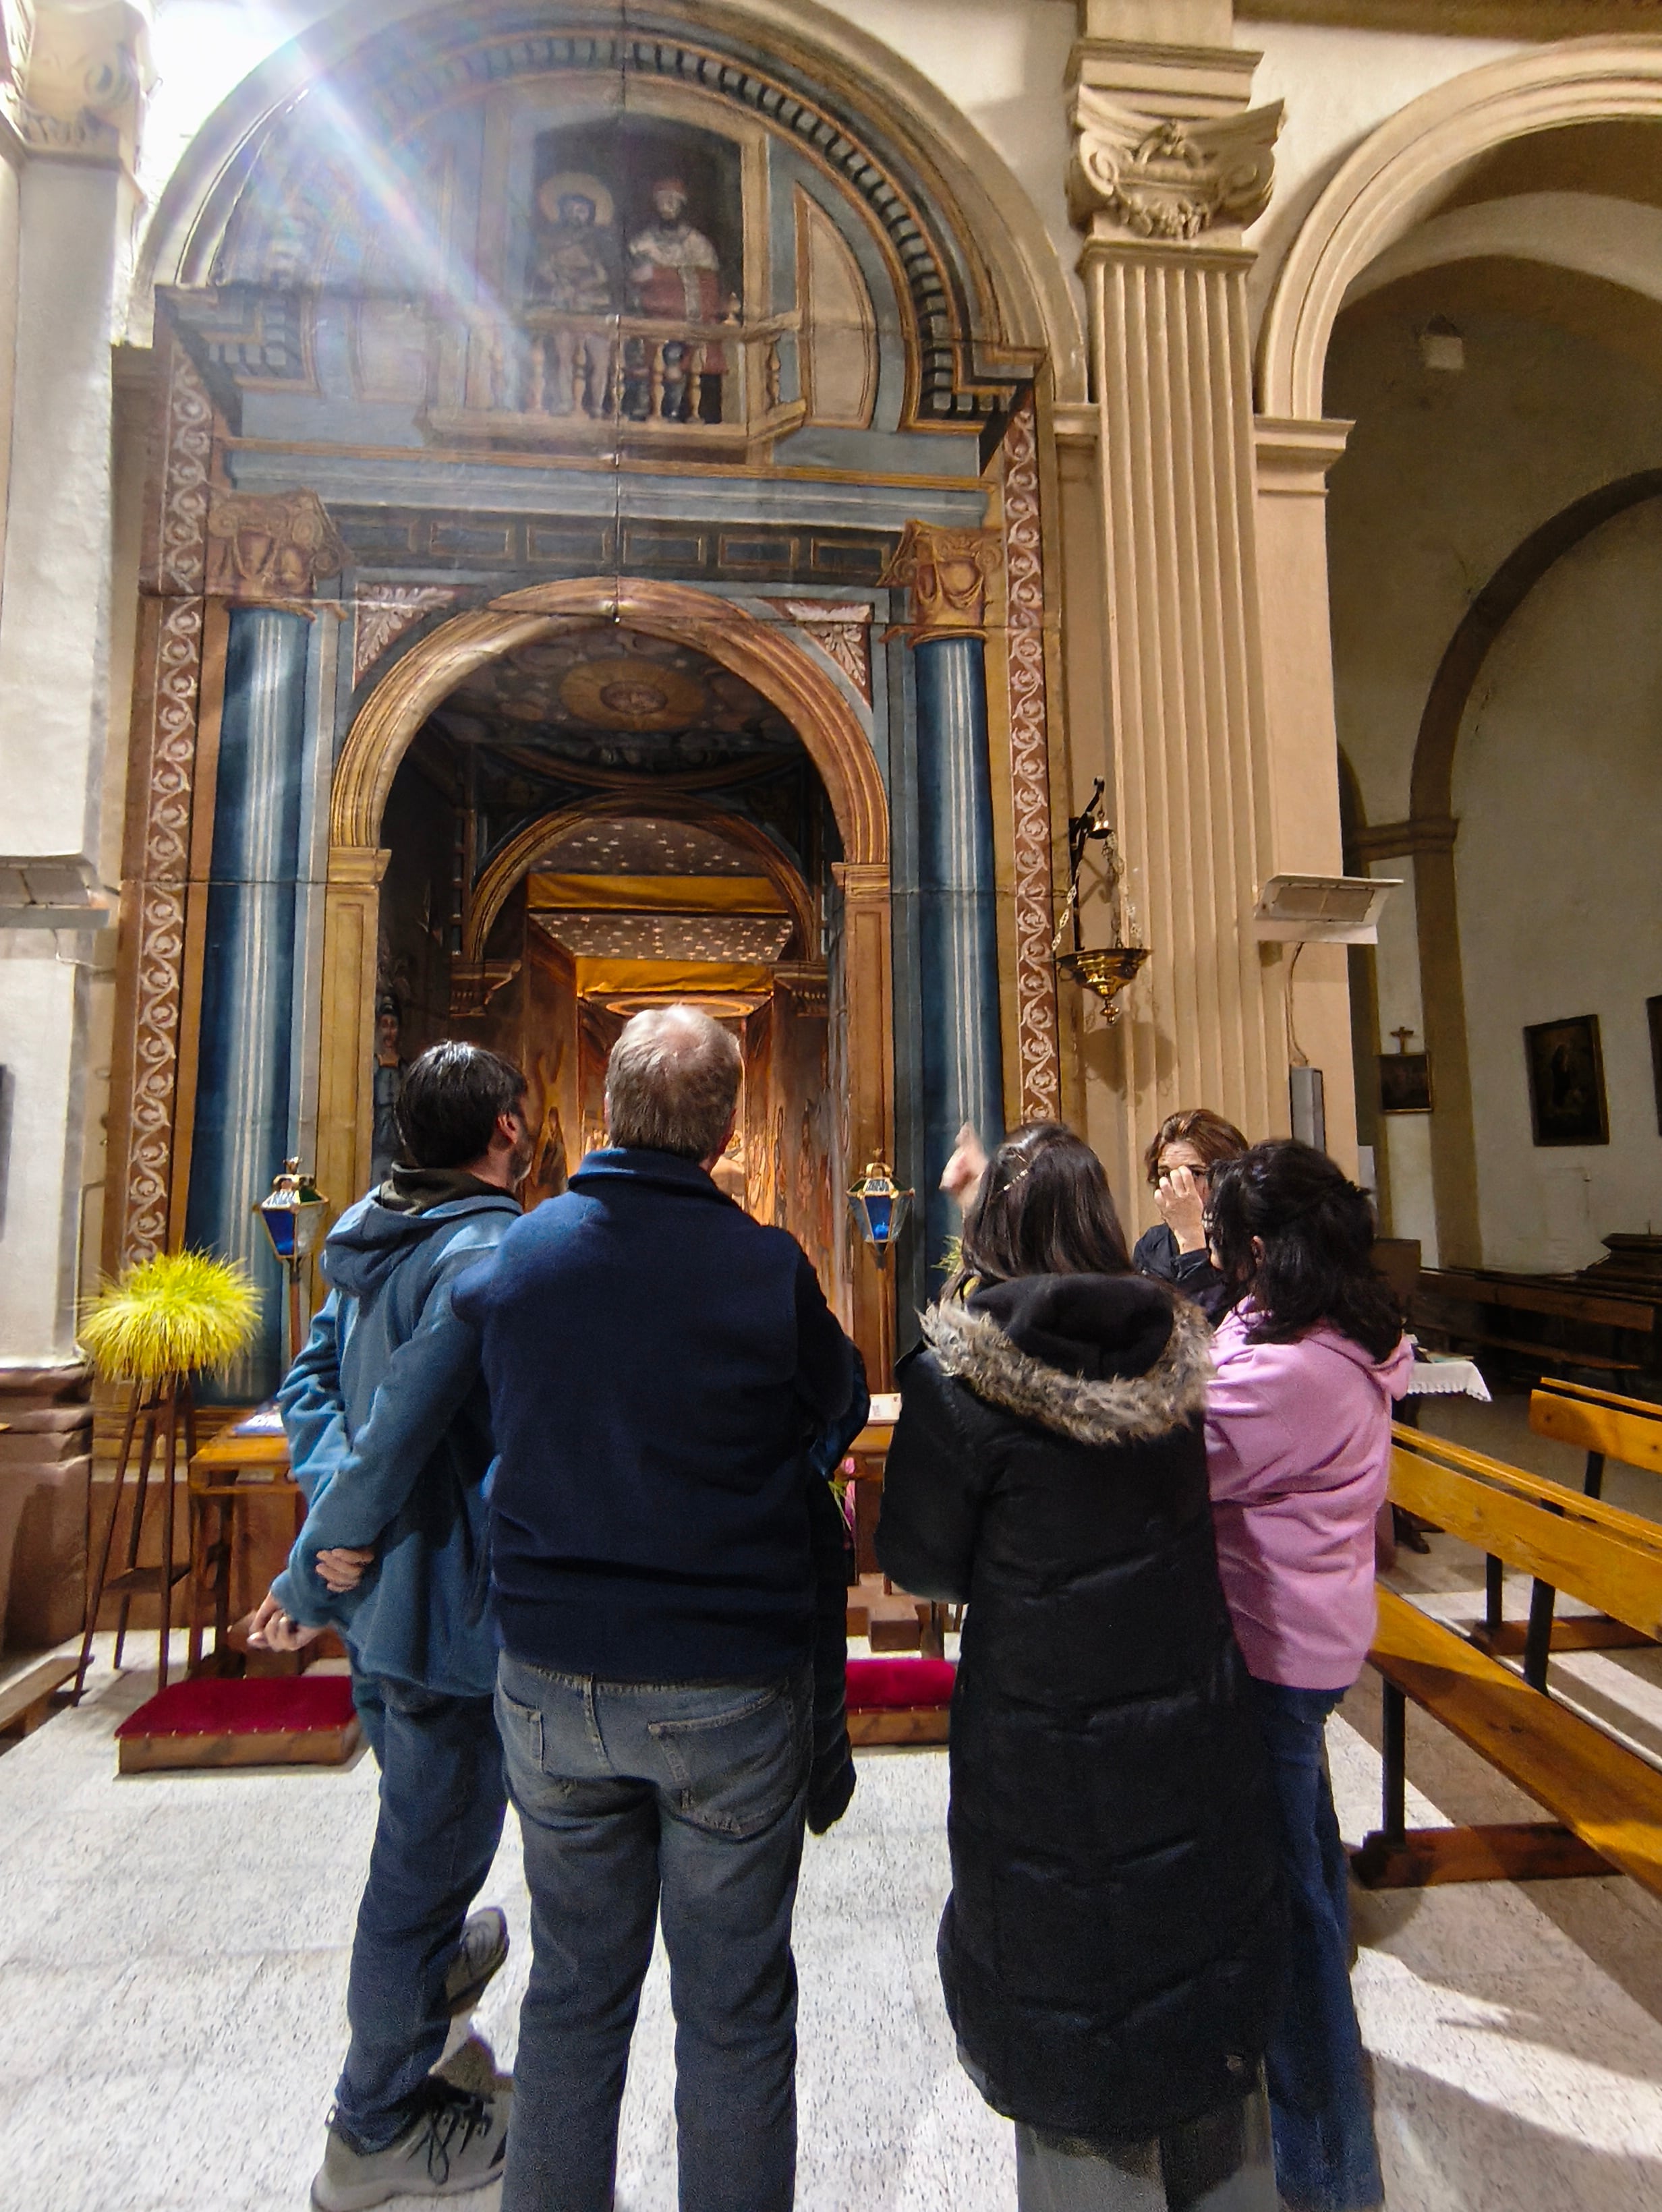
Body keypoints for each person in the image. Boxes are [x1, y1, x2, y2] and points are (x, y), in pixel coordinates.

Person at [451, 1004, 866, 2212]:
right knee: (731, 2010)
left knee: (572, 1998)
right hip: (721, 1681)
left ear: (606, 1111)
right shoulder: (760, 1266)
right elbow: (834, 1407)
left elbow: (484, 1414)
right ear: (726, 1125)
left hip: (547, 1671)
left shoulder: (519, 1256)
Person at [876, 1122, 1286, 2212]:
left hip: (1043, 1736)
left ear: (994, 1229)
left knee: (1074, 2023)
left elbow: (918, 1559)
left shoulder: (961, 1381)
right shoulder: (1180, 1354)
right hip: (1189, 1715)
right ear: (1105, 1218)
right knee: (1192, 1988)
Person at [246, 1041, 532, 2210]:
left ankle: (417, 2027)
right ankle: (372, 2128)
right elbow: (407, 1424)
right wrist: (322, 1562)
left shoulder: (369, 1225)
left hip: (384, 1600)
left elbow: (309, 1385)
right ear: (508, 1129)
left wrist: (332, 1526)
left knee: (423, 1856)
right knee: (422, 1870)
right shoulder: (486, 1249)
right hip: (441, 1611)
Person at [1201, 1140, 1414, 2212]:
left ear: (1258, 1251)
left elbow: (1181, 1456)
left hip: (1274, 1648)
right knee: (1303, 1864)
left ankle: (1333, 2177)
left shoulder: (1296, 1376)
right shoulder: (1327, 1333)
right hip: (1306, 1633)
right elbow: (1231, 1342)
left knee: (1291, 1922)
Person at [1132, 1108, 1249, 1323]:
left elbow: (1213, 1333)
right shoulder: (1152, 1245)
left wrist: (1191, 1241)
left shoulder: (1252, 1244)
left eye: (1195, 1173)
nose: (1177, 1187)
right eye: (1165, 1174)